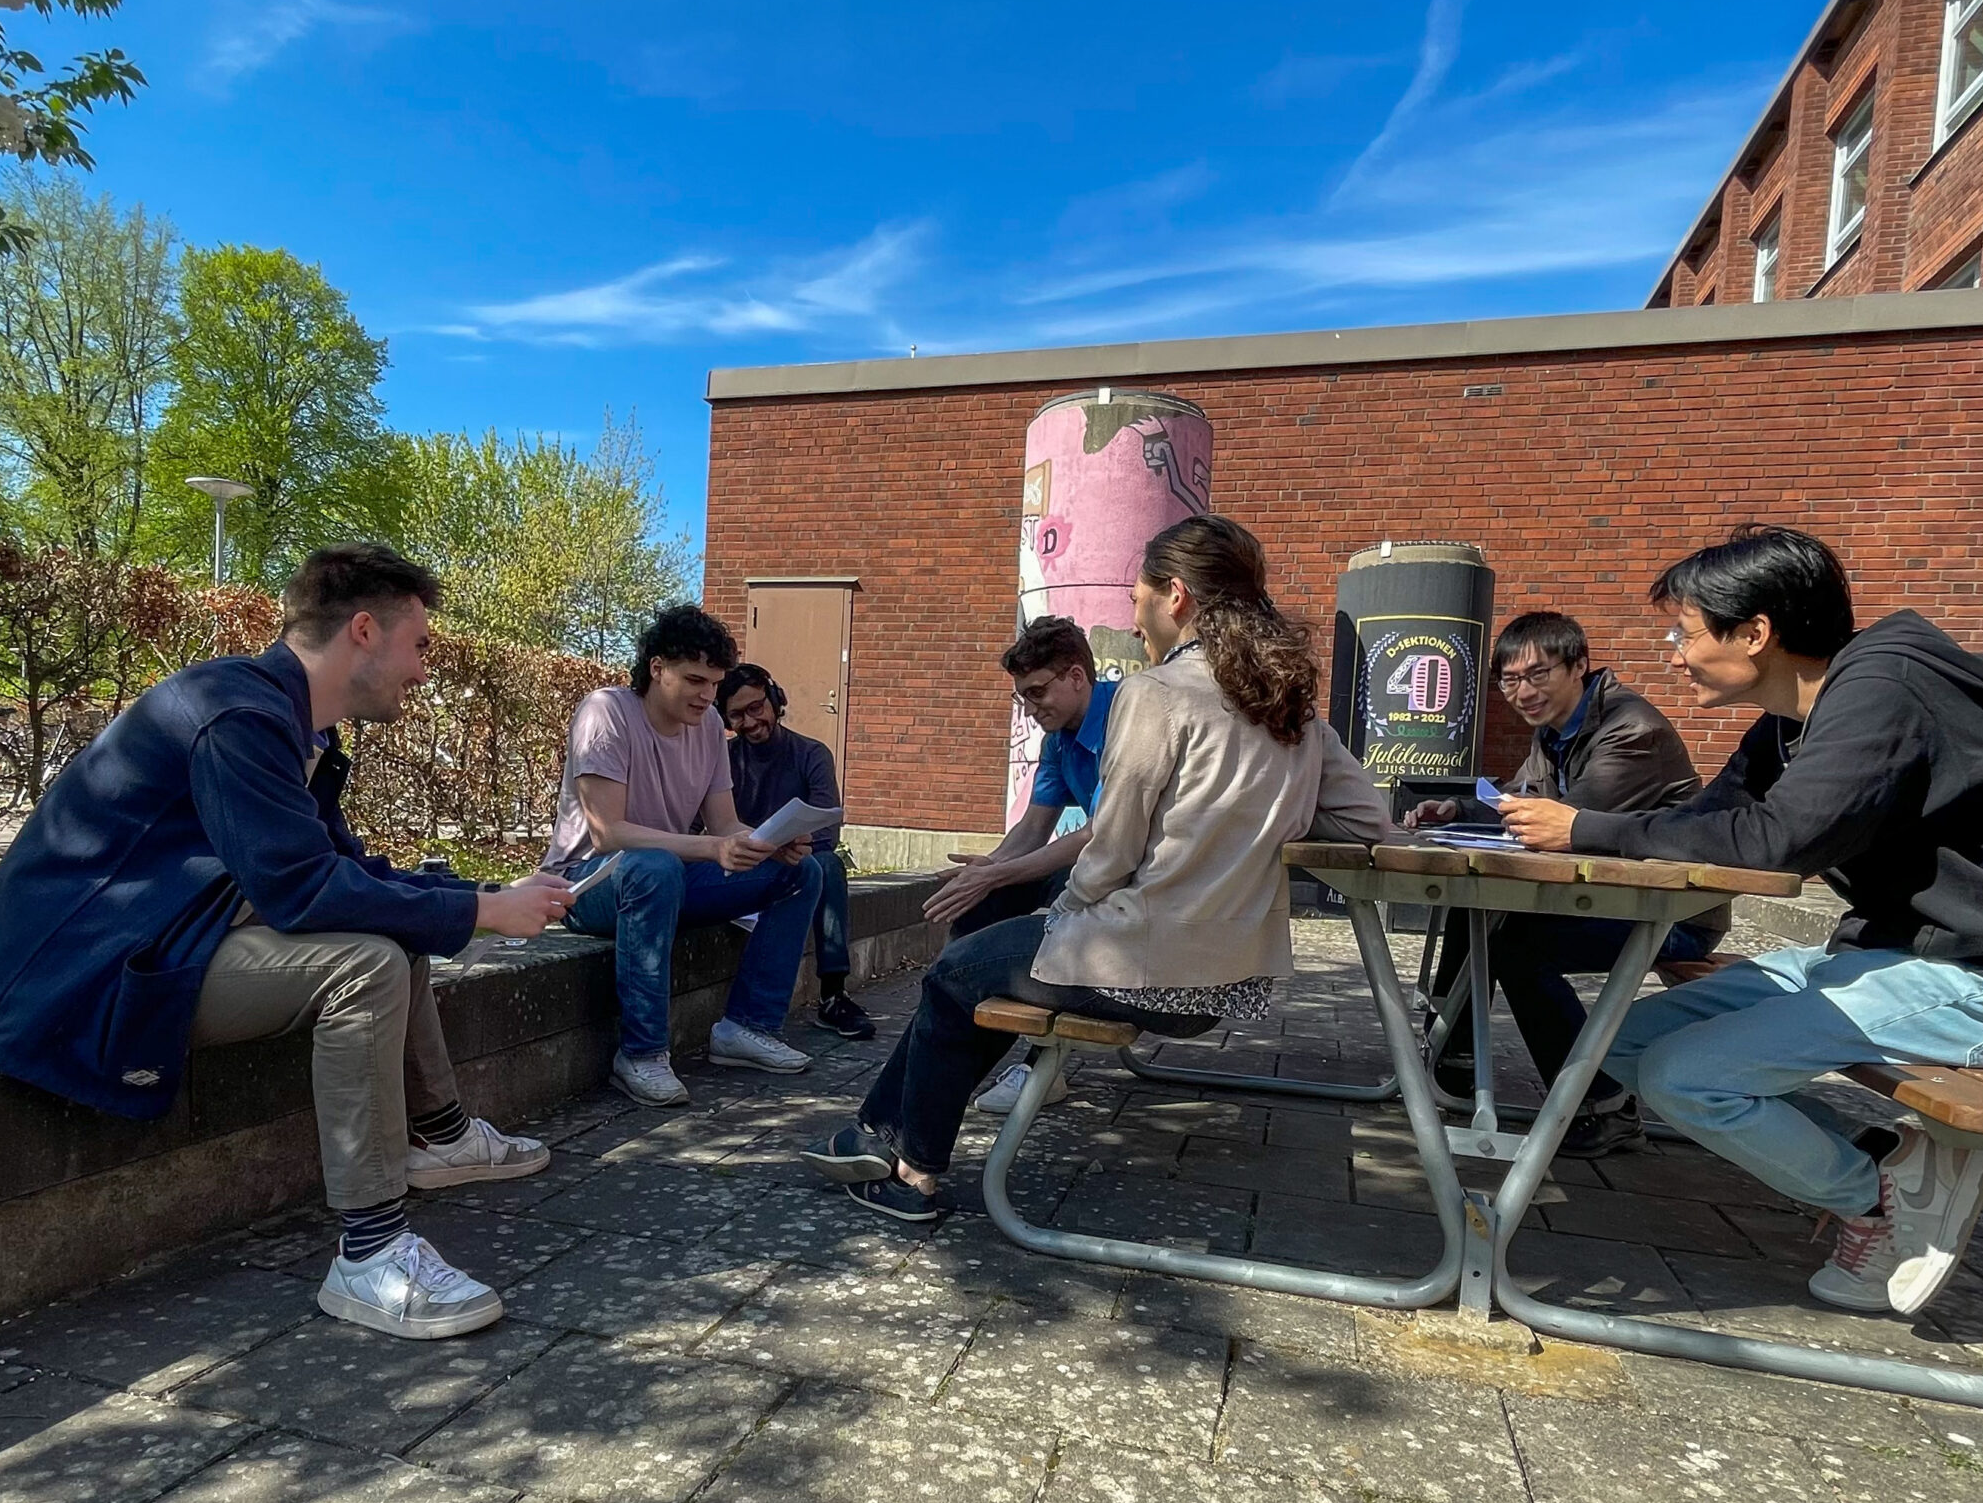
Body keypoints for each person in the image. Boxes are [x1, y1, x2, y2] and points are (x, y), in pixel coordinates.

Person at [0, 546, 571, 1343]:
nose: (423, 671)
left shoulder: (283, 720)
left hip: (156, 938)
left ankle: (440, 1139)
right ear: (364, 630)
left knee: (388, 930)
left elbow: (338, 868)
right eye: (421, 646)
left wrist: (477, 900)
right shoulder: (237, 715)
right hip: (70, 983)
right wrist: (482, 911)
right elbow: (301, 892)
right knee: (363, 963)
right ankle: (370, 1259)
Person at [1496, 526, 1983, 1316]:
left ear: (1756, 632)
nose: (1674, 654)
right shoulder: (1790, 717)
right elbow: (1720, 816)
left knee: (1689, 1078)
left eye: (1685, 632)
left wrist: (1585, 829)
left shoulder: (1884, 691)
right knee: (1616, 1045)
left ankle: (1876, 1202)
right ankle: (1884, 1158)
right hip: (1882, 958)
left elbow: (1777, 843)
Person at [799, 515, 1399, 1220]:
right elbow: (1369, 826)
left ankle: (911, 1172)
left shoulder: (1156, 693)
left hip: (1145, 963)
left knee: (956, 972)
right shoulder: (1292, 712)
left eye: (1137, 596)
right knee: (981, 970)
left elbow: (1110, 850)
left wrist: (1060, 915)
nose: (1133, 615)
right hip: (1233, 984)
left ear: (1176, 596)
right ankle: (880, 1138)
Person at [1403, 611, 1724, 1157]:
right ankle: (1453, 1055)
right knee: (1474, 909)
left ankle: (1603, 1105)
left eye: (1537, 675)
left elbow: (1564, 821)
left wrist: (1504, 814)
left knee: (1515, 946)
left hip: (1672, 915)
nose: (1523, 693)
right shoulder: (1557, 728)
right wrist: (1456, 807)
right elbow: (1519, 797)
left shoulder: (1630, 732)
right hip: (1612, 899)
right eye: (1509, 680)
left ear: (1579, 666)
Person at [548, 604, 825, 1106]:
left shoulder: (709, 731)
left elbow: (724, 825)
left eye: (714, 684)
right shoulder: (605, 712)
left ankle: (746, 1028)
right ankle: (642, 1054)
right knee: (654, 868)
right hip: (588, 884)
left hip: (667, 876)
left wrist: (769, 842)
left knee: (803, 872)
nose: (708, 696)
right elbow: (608, 834)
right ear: (657, 668)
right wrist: (713, 848)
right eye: (696, 680)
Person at [926, 614, 1120, 1116]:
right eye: (1024, 697)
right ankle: (953, 1045)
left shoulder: (1125, 718)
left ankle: (1041, 1066)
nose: (1031, 709)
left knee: (1063, 894)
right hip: (1099, 866)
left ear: (1077, 676)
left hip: (1137, 879)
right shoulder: (1058, 738)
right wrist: (984, 871)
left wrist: (998, 872)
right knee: (983, 901)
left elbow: (1099, 835)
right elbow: (1035, 828)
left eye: (1037, 693)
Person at [720, 662, 867, 1041]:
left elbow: (827, 828)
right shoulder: (721, 759)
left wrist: (787, 850)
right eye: (736, 715)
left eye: (755, 708)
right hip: (741, 867)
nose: (750, 722)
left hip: (798, 861)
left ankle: (833, 995)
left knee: (827, 863)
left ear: (775, 701)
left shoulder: (812, 754)